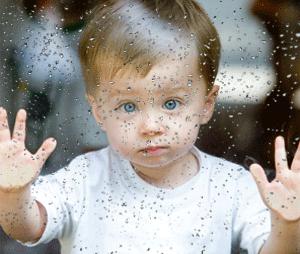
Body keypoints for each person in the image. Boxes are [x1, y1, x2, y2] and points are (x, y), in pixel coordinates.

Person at [0, 0, 299, 253]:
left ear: (206, 105)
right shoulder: (83, 179)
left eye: (171, 104)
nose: (151, 126)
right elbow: (27, 229)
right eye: (128, 106)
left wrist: (289, 223)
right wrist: (13, 192)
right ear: (99, 112)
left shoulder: (230, 186)